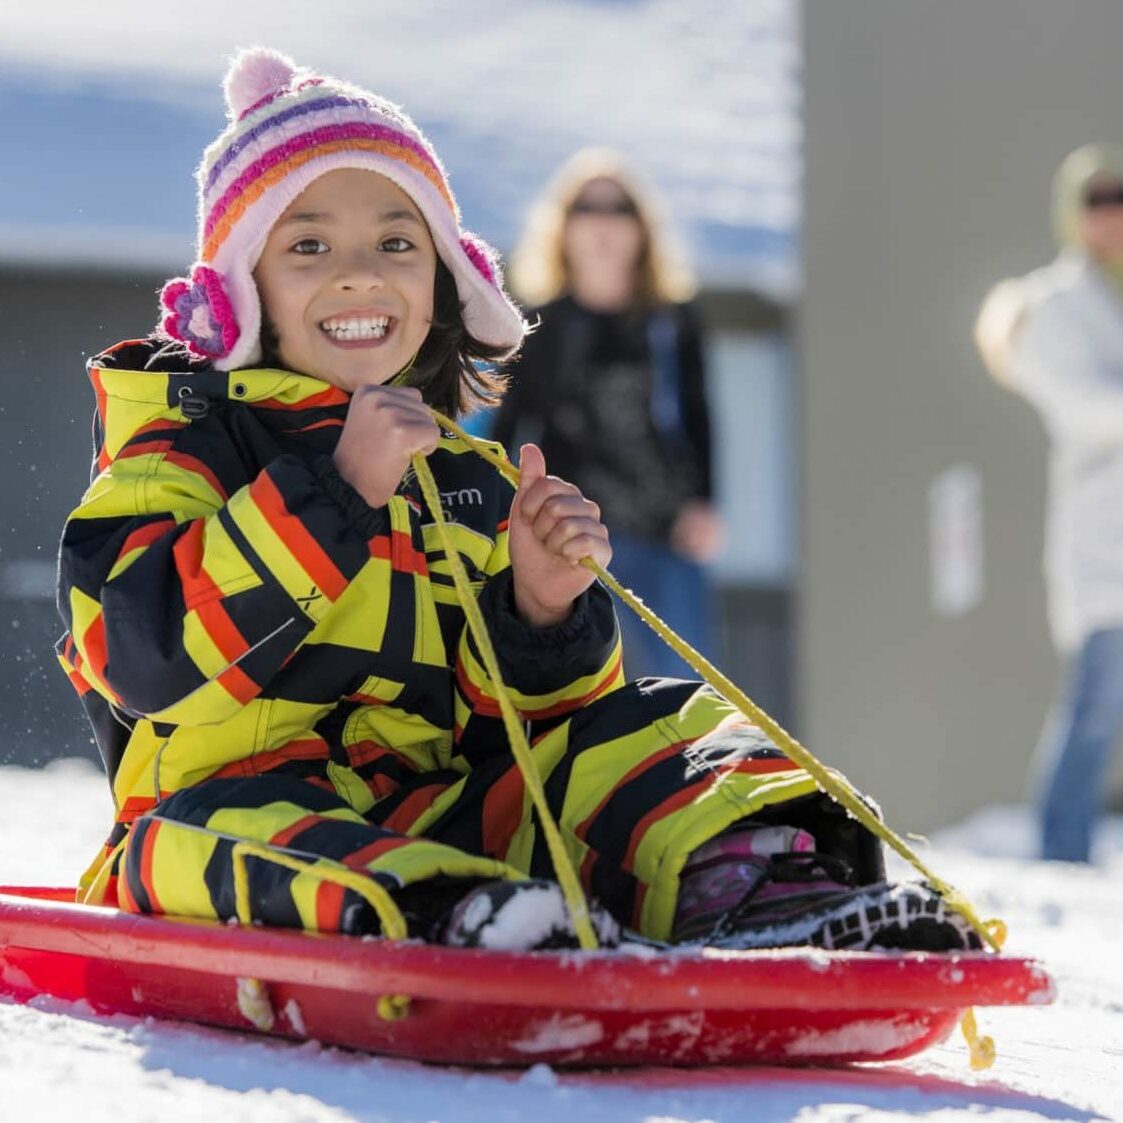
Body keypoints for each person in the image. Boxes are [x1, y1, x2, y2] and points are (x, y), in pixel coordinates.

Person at [55, 48, 979, 954]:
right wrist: (334, 495)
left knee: (660, 713)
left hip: (445, 816)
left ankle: (764, 885)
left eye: (395, 242)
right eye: (306, 244)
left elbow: (531, 737)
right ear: (240, 286)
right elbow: (135, 654)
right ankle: (455, 917)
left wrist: (539, 610)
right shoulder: (180, 441)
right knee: (232, 831)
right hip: (224, 814)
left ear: (442, 283)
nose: (359, 273)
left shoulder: (463, 475)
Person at [492, 150, 721, 680]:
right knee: (585, 681)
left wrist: (706, 502)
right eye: (585, 208)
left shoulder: (673, 320)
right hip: (574, 530)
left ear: (641, 229)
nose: (602, 223)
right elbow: (511, 425)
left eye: (618, 209)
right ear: (562, 227)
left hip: (666, 529)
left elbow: (701, 415)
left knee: (687, 681)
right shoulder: (540, 323)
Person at [976, 143, 1123, 863]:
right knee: (1096, 705)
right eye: (1096, 200)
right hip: (1107, 539)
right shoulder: (1048, 306)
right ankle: (1060, 852)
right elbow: (1080, 407)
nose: (1111, 216)